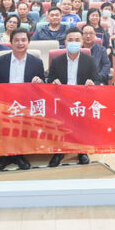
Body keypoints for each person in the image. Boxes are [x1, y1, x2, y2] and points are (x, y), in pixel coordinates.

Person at [0, 27, 44, 172]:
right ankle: (5, 156)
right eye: (16, 40)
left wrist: (40, 81)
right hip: (4, 102)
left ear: (28, 42)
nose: (20, 43)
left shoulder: (36, 62)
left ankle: (19, 154)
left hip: (25, 103)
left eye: (23, 40)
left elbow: (42, 85)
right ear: (11, 43)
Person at [46, 28, 97, 167]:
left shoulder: (89, 60)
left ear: (82, 43)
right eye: (70, 40)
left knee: (81, 121)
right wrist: (53, 82)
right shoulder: (57, 61)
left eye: (77, 40)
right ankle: (59, 151)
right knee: (59, 121)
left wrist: (92, 83)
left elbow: (97, 79)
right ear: (65, 42)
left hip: (82, 99)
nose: (73, 43)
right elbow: (49, 79)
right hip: (62, 99)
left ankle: (81, 151)